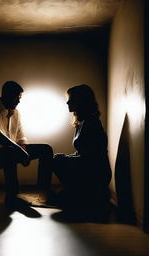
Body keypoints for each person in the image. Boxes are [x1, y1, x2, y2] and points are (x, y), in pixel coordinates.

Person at [0, 81, 53, 208]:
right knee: (10, 151)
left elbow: (20, 136)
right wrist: (20, 151)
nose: (19, 101)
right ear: (6, 95)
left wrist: (23, 149)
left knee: (46, 149)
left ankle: (43, 191)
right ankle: (11, 197)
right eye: (17, 98)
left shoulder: (16, 113)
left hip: (12, 151)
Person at [52, 84, 112, 221]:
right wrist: (67, 157)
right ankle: (78, 193)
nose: (67, 102)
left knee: (56, 161)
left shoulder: (91, 124)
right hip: (89, 167)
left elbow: (91, 158)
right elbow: (82, 153)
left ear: (81, 101)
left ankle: (83, 193)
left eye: (71, 99)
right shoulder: (83, 122)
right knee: (57, 159)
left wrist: (64, 159)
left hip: (96, 173)